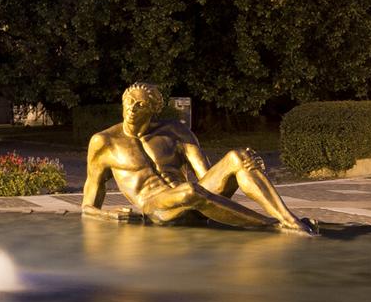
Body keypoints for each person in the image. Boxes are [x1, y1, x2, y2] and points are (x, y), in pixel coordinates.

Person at [82, 83, 315, 235]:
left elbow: (206, 178)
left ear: (153, 109)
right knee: (189, 191)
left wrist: (245, 166)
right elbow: (88, 205)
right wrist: (108, 215)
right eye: (129, 102)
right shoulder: (104, 141)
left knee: (239, 156)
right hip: (156, 208)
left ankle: (288, 219)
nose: (132, 108)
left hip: (197, 201)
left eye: (141, 104)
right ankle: (273, 226)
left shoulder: (175, 131)